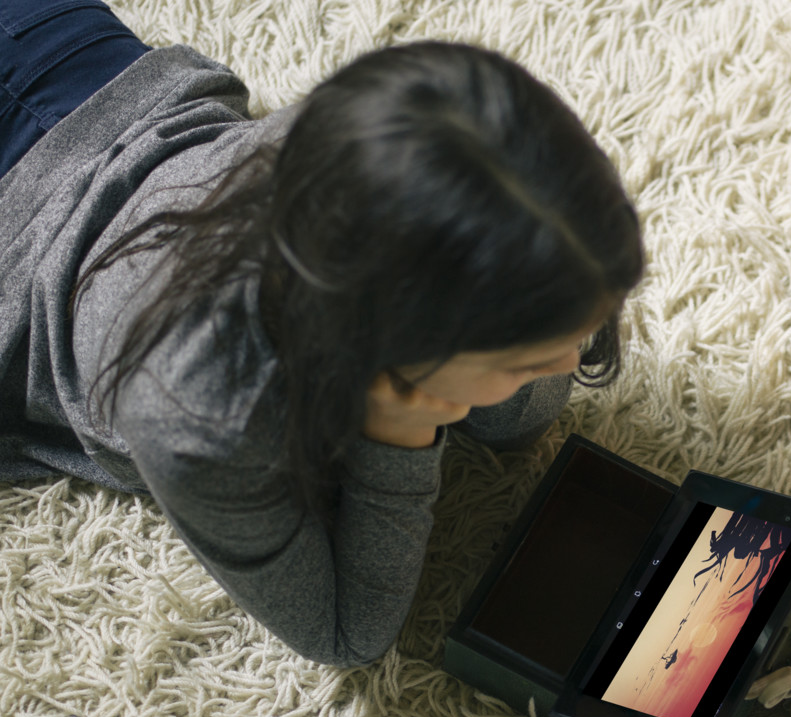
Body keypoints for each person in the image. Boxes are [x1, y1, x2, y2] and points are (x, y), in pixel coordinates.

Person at [0, 2, 644, 667]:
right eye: (531, 359)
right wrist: (398, 433)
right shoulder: (201, 415)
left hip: (73, 64)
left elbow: (519, 421)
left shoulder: (397, 137)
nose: (569, 364)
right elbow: (345, 635)